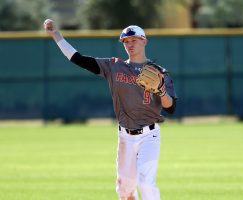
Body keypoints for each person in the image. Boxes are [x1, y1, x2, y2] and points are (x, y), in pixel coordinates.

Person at [44, 19, 177, 200]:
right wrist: (56, 35)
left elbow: (170, 107)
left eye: (134, 40)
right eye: (126, 42)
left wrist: (161, 90)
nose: (129, 44)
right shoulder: (114, 66)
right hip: (125, 137)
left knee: (146, 184)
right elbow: (78, 59)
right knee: (125, 190)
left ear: (144, 41)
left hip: (149, 136)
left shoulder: (158, 72)